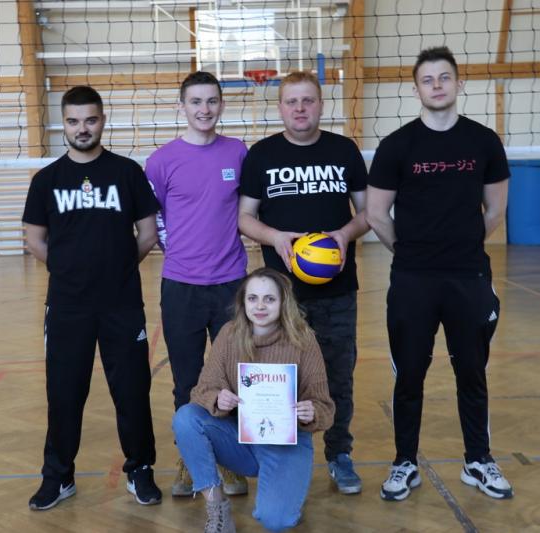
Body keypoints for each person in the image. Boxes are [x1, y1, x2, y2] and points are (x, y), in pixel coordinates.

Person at [366, 46, 513, 501]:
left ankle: (478, 460)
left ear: (458, 83)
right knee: (410, 374)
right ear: (416, 90)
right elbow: (376, 214)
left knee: (472, 372)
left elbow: (496, 209)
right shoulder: (397, 145)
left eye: (444, 77)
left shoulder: (484, 141)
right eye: (427, 80)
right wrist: (409, 251)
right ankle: (404, 462)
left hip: (468, 277)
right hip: (413, 279)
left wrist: (463, 245)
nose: (436, 85)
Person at [22, 85, 163, 510]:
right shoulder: (46, 180)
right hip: (68, 306)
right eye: (73, 121)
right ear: (63, 125)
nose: (82, 128)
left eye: (90, 120)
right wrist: (69, 272)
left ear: (102, 121)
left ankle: (140, 470)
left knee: (132, 391)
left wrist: (117, 269)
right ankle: (58, 477)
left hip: (122, 303)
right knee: (64, 394)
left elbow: (148, 234)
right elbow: (34, 239)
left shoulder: (127, 172)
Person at [238, 71, 369, 494]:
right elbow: (244, 217)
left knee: (337, 377)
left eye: (308, 100)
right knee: (278, 377)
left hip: (337, 292)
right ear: (280, 108)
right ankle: (277, 458)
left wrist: (344, 234)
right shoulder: (262, 155)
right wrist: (275, 237)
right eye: (292, 101)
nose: (300, 108)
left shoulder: (344, 150)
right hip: (280, 297)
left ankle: (339, 454)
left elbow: (368, 212)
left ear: (321, 104)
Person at [145, 72, 249, 497]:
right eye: (195, 102)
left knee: (233, 377)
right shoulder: (161, 160)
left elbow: (248, 209)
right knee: (187, 378)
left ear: (221, 104)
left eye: (211, 101)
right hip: (181, 286)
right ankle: (191, 462)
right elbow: (154, 218)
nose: (204, 109)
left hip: (231, 283)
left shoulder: (238, 152)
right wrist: (182, 254)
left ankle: (231, 462)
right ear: (182, 106)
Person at [172, 267, 334, 532]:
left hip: (286, 443)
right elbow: (202, 391)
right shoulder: (230, 334)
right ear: (243, 302)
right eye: (252, 298)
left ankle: (287, 493)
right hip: (239, 438)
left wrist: (311, 411)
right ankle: (217, 507)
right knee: (186, 418)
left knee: (276, 521)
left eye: (269, 299)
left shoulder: (303, 338)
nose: (260, 306)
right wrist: (217, 399)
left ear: (283, 302)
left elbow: (325, 406)